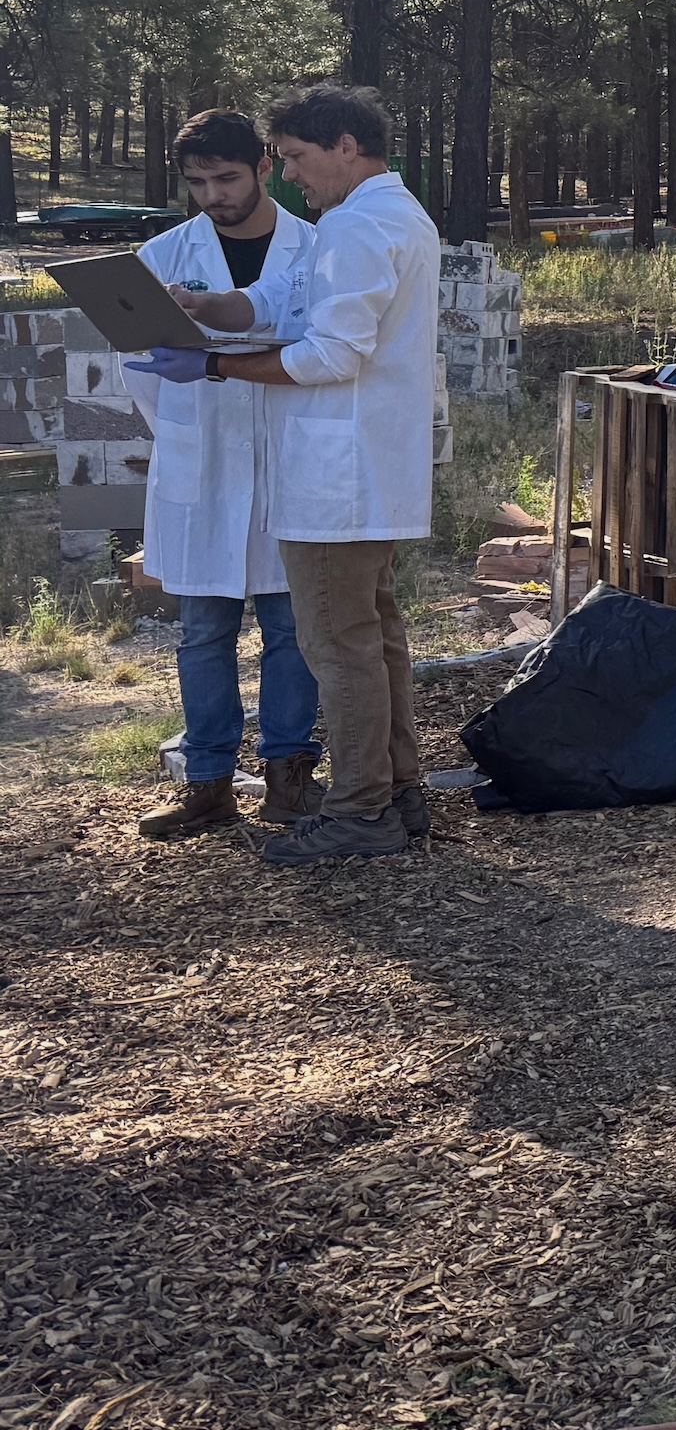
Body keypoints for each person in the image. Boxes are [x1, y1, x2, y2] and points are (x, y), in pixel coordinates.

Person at [159, 82, 441, 866]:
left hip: (335, 476)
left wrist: (213, 364)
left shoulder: (354, 227)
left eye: (295, 159)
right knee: (376, 637)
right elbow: (287, 298)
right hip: (368, 467)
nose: (290, 178)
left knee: (338, 645)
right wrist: (209, 306)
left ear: (345, 145)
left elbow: (329, 353)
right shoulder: (388, 214)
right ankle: (400, 790)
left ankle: (358, 811)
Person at [129, 110, 322, 840]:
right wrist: (186, 437)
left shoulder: (315, 248)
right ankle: (208, 782)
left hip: (290, 461)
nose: (214, 193)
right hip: (201, 463)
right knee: (202, 632)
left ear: (266, 167)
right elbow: (139, 370)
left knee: (291, 625)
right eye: (199, 182)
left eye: (228, 177)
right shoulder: (163, 256)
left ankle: (289, 777)